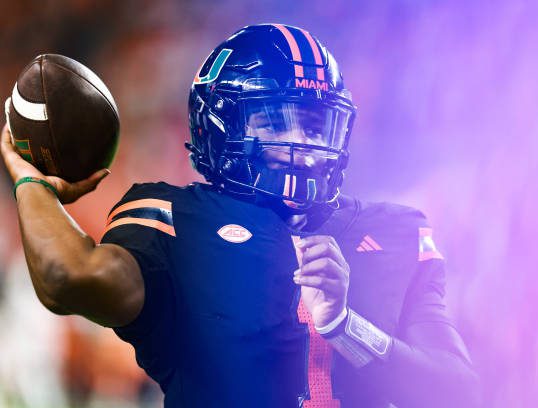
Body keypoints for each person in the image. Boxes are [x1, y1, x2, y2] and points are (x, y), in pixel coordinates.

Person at [1, 24, 479, 407]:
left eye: (313, 122)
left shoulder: (394, 230)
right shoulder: (175, 219)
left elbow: (457, 392)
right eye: (272, 119)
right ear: (220, 127)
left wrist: (347, 327)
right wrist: (32, 182)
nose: (299, 142)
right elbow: (66, 276)